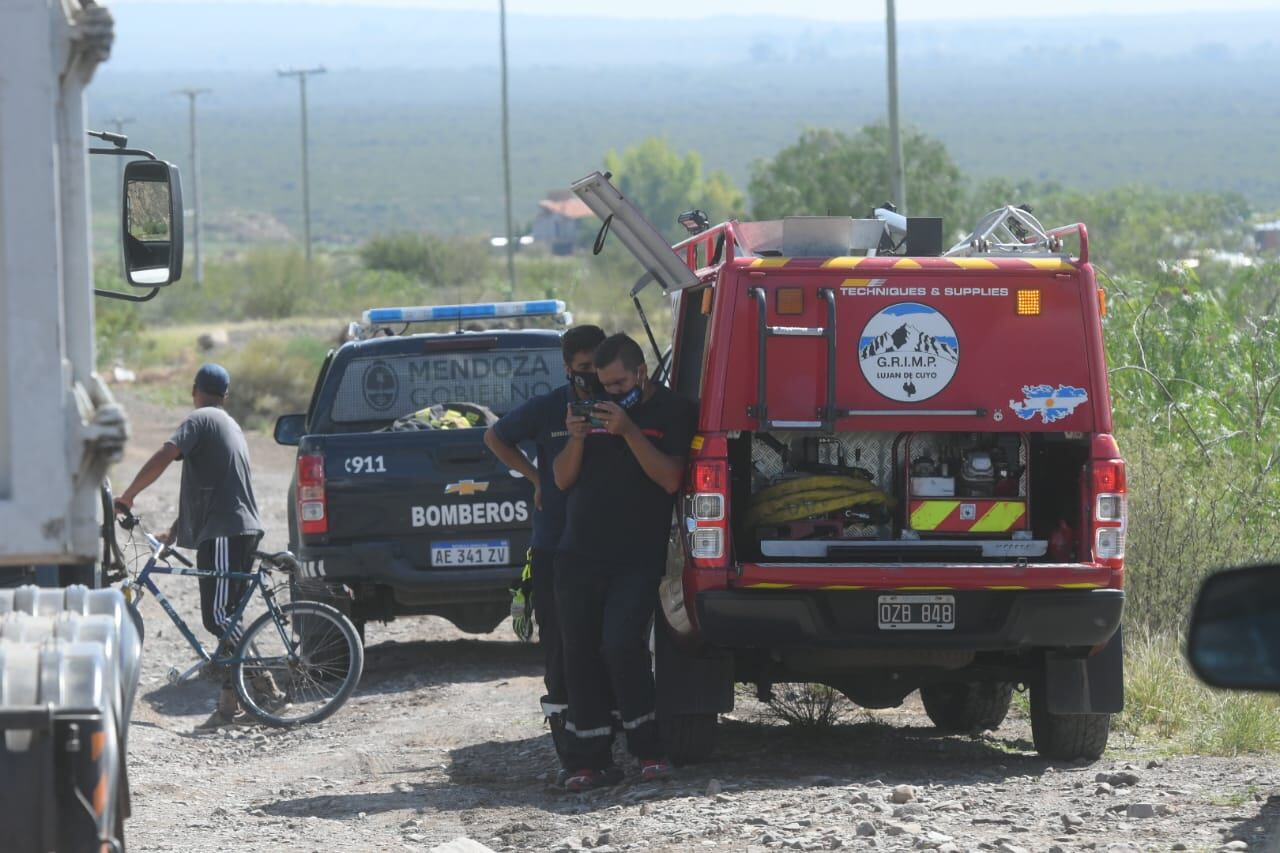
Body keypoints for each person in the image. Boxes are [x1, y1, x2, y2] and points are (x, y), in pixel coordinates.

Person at [553, 333, 695, 791]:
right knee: (579, 656)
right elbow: (562, 479)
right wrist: (576, 438)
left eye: (617, 384)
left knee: (621, 645)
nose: (608, 392)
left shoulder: (673, 411)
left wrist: (629, 431)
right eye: (602, 383)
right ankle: (587, 761)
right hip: (580, 554)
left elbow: (672, 479)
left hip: (636, 556)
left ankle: (648, 750)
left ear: (641, 373)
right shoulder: (587, 406)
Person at [483, 324, 607, 773]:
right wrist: (536, 478)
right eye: (583, 371)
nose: (592, 379)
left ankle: (612, 740)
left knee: (610, 645)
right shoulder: (551, 408)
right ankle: (572, 752)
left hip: (612, 547)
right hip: (556, 546)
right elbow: (495, 437)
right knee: (560, 650)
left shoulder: (623, 406)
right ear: (567, 369)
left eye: (600, 369)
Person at [113, 363, 265, 729]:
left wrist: (128, 496)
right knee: (228, 617)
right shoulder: (226, 422)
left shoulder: (200, 420)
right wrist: (173, 533)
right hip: (235, 527)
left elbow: (166, 454)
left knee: (217, 617)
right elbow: (214, 485)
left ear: (194, 390)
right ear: (225, 395)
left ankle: (265, 685)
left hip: (226, 530)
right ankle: (231, 706)